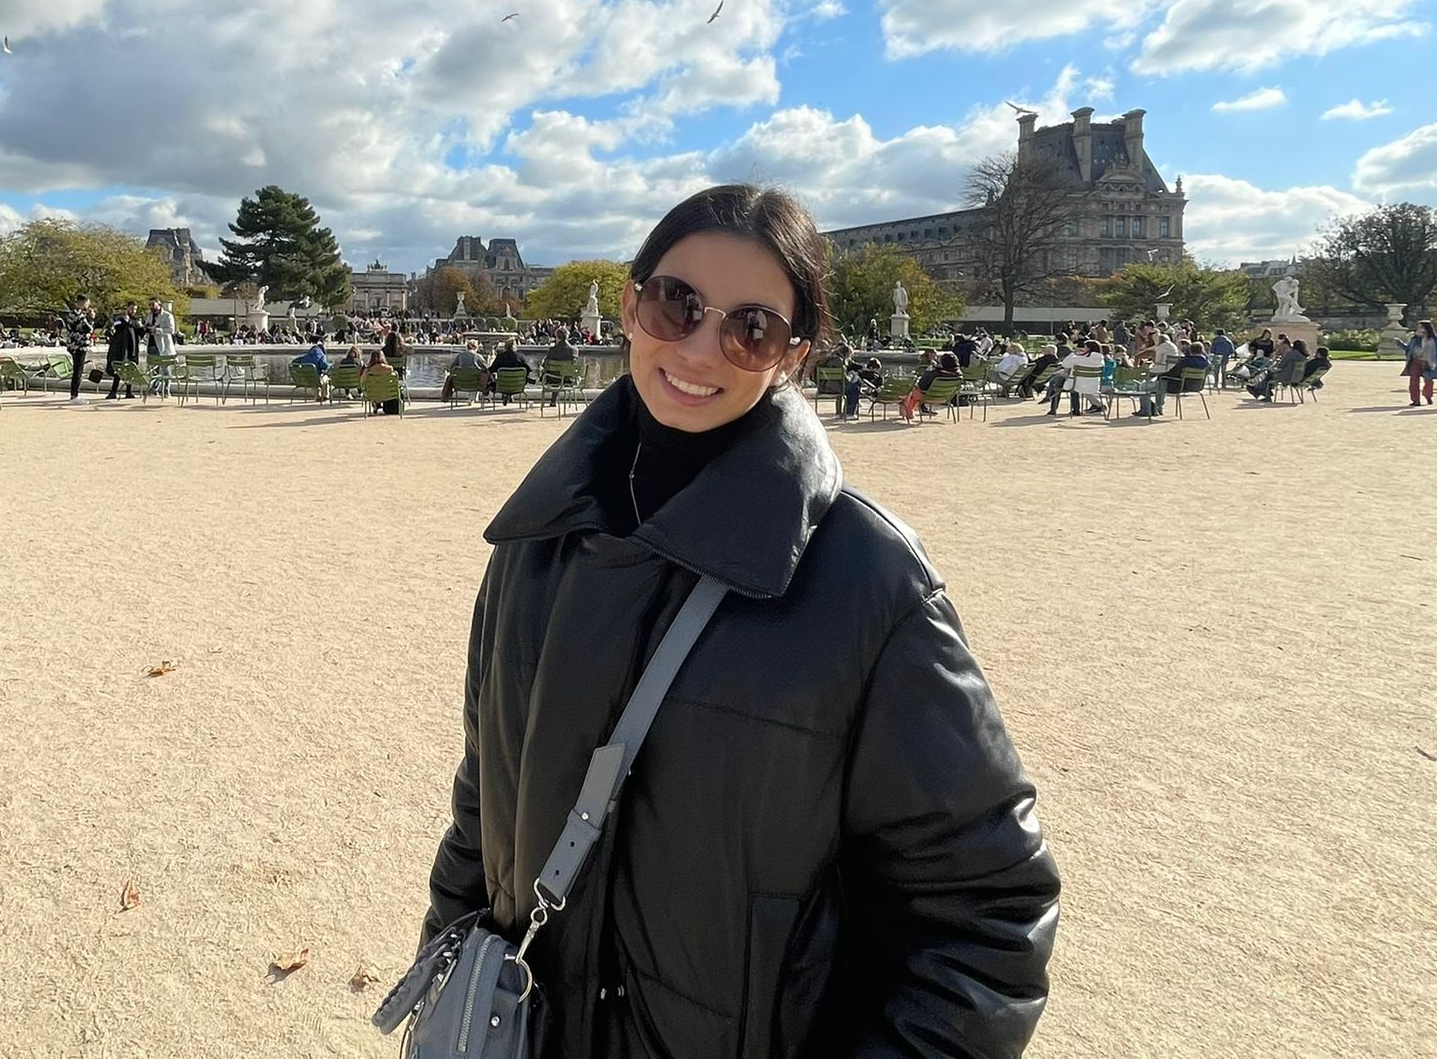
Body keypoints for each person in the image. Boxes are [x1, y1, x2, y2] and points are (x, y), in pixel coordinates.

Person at [418, 185, 1058, 1055]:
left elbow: (988, 918)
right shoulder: (532, 543)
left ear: (792, 357)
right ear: (629, 306)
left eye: (749, 328)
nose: (699, 346)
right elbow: (481, 804)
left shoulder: (870, 582)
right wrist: (449, 973)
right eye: (674, 303)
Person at [104, 306, 142, 400]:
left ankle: (129, 391)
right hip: (120, 347)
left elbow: (141, 332)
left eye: (135, 309)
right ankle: (113, 391)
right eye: (131, 309)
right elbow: (117, 327)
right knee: (118, 369)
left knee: (130, 369)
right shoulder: (118, 319)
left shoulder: (136, 320)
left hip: (131, 347)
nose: (133, 311)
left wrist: (140, 326)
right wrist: (127, 321)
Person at [61, 301, 95, 405]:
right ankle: (74, 395)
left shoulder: (74, 315)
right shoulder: (78, 315)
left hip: (76, 344)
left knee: (78, 370)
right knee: (78, 370)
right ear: (83, 303)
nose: (88, 305)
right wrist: (91, 318)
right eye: (87, 303)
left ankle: (74, 394)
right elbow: (87, 328)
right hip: (78, 345)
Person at [1403, 324, 1437, 408]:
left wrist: (1436, 362)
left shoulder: (1434, 339)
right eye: (1419, 327)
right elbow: (1408, 349)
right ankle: (1415, 400)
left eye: (1422, 327)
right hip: (1415, 361)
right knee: (1413, 382)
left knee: (1428, 381)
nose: (1419, 329)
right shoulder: (1414, 339)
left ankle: (1428, 395)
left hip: (1427, 362)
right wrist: (1399, 344)